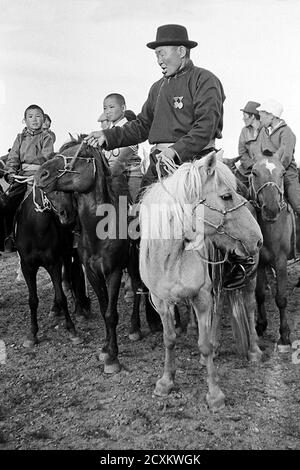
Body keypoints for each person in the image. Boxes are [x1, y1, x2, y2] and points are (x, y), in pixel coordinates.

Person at [84, 24, 225, 192]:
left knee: (203, 213)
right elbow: (142, 126)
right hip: (159, 164)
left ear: (181, 51)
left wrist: (175, 151)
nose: (158, 60)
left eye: (162, 53)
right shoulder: (157, 87)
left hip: (196, 164)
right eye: (156, 55)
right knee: (140, 213)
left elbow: (205, 127)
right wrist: (107, 136)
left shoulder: (205, 80)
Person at [4, 104, 54, 252]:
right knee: (8, 204)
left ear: (43, 119)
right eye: (30, 117)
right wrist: (10, 172)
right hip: (22, 177)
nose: (34, 120)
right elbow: (13, 157)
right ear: (24, 120)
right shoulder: (19, 138)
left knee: (58, 203)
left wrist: (39, 174)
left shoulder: (47, 137)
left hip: (40, 177)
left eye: (38, 116)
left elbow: (48, 157)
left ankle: (66, 234)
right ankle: (11, 236)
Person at [257, 99, 300, 216]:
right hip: (267, 173)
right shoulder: (263, 132)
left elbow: (286, 157)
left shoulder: (286, 132)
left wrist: (275, 173)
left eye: (262, 116)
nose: (260, 119)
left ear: (271, 116)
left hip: (286, 173)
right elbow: (259, 152)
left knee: (296, 202)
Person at [102, 93, 143, 203]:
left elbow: (121, 161)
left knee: (132, 213)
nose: (107, 111)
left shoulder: (129, 130)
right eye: (105, 108)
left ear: (123, 108)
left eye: (111, 107)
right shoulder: (107, 132)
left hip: (130, 178)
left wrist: (105, 178)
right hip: (112, 177)